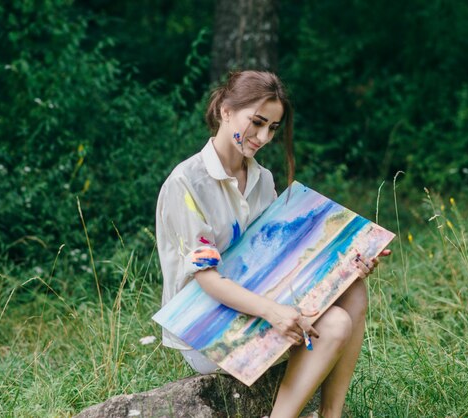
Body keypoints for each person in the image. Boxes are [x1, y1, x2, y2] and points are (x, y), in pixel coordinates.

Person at [155, 70, 391, 418]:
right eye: (257, 122)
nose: (263, 137)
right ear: (224, 110)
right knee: (336, 324)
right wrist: (274, 312)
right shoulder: (186, 183)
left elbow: (285, 256)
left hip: (263, 301)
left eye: (273, 128)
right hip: (207, 326)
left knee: (354, 289)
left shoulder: (262, 178)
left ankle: (330, 414)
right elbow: (206, 279)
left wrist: (350, 262)